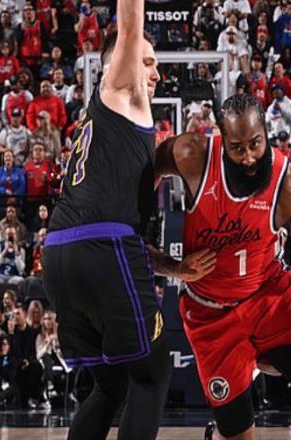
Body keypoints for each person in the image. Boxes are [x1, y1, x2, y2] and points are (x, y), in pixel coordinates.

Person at [155, 94, 291, 440]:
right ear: (221, 139)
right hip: (210, 313)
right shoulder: (191, 155)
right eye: (237, 148)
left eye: (255, 144)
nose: (248, 157)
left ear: (267, 135)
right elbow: (135, 196)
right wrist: (172, 267)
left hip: (270, 300)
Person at [43, 1, 214, 439]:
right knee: (153, 373)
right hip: (100, 250)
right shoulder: (122, 91)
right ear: (119, 63)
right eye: (148, 61)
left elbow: (123, 232)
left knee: (112, 382)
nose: (155, 72)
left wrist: (175, 269)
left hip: (60, 254)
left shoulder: (105, 131)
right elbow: (130, 21)